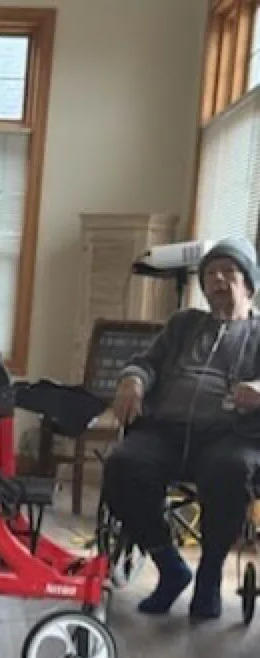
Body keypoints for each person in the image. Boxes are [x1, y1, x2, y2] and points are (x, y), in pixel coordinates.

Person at [101, 236, 260, 621]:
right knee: (121, 466)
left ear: (250, 283)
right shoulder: (184, 323)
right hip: (165, 430)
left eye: (228, 272)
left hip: (230, 434)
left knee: (231, 471)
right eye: (209, 274)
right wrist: (132, 381)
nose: (218, 280)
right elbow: (145, 362)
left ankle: (208, 578)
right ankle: (170, 566)